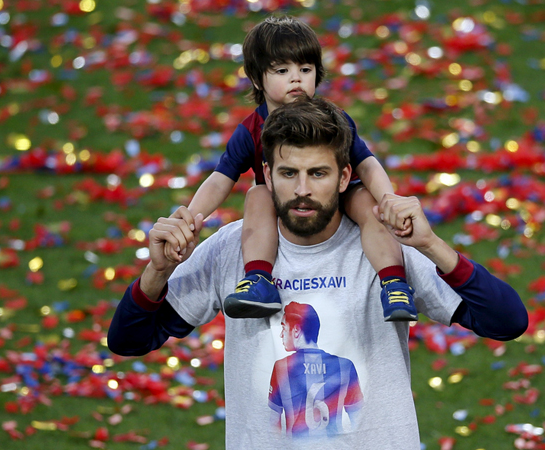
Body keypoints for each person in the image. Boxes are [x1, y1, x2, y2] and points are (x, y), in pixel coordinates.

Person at [108, 97, 528, 449]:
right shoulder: (229, 250)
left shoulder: (385, 245)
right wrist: (156, 273)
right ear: (268, 175)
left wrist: (432, 245)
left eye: (319, 173)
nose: (303, 189)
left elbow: (508, 321)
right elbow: (128, 340)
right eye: (289, 174)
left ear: (346, 176)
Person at [169, 15, 417, 322]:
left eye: (305, 69)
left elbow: (366, 164)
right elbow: (221, 178)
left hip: (336, 196)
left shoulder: (332, 120)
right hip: (285, 202)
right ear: (258, 79)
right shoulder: (251, 129)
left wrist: (388, 199)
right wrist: (191, 219)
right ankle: (259, 280)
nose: (296, 78)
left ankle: (393, 283)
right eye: (282, 70)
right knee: (257, 195)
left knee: (369, 203)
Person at [269, 302, 363, 437]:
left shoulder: (281, 367)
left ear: (296, 331)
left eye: (283, 328)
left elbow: (273, 426)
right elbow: (359, 421)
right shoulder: (345, 366)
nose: (281, 334)